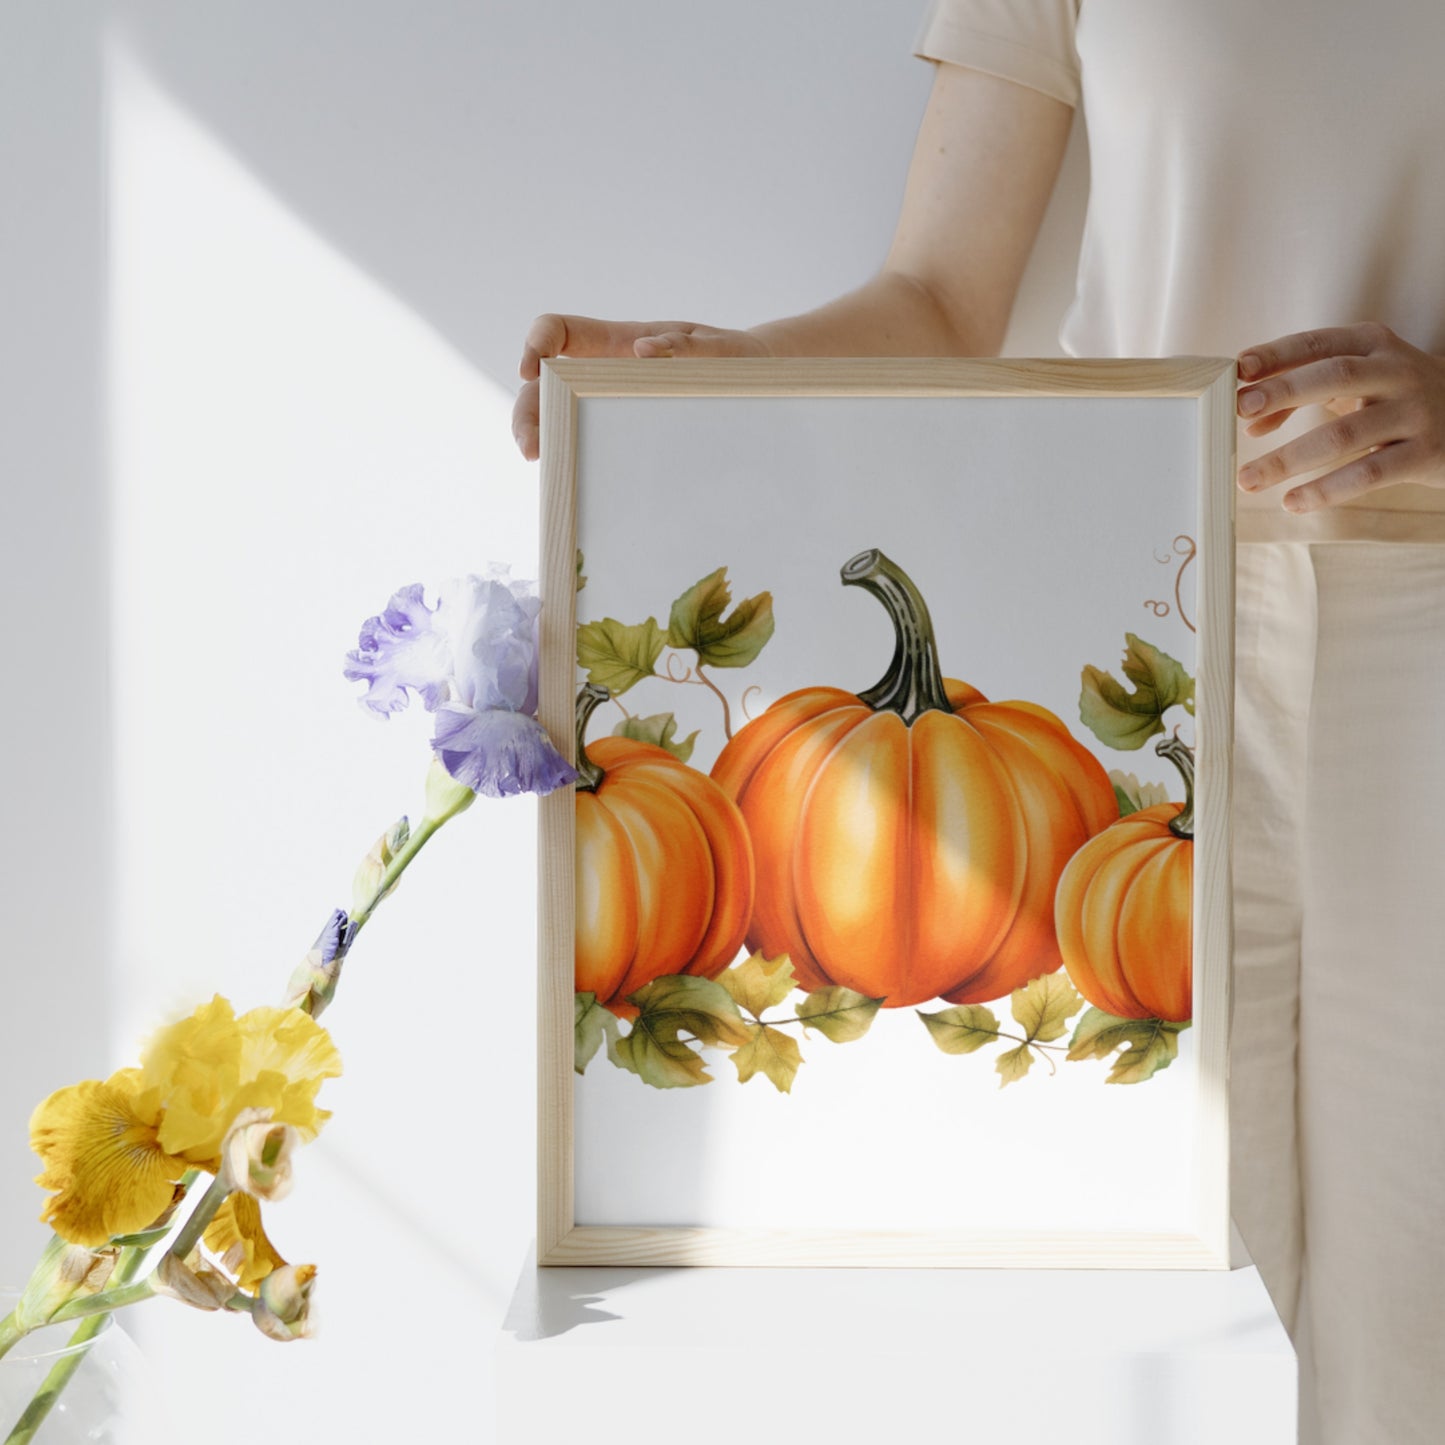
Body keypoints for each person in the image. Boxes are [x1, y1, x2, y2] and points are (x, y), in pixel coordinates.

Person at [512, 5, 1445, 1441]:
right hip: (1146, 651)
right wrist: (715, 369)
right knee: (1161, 1317)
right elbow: (943, 299)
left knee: (1423, 1315)